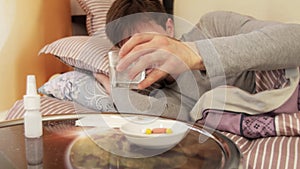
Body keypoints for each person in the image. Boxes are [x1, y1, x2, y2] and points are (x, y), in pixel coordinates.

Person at [94, 0, 300, 121]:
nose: (141, 55)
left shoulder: (214, 26)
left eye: (145, 41)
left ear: (169, 28)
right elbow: (166, 118)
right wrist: (116, 89)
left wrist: (195, 54)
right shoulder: (159, 92)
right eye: (128, 48)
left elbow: (295, 39)